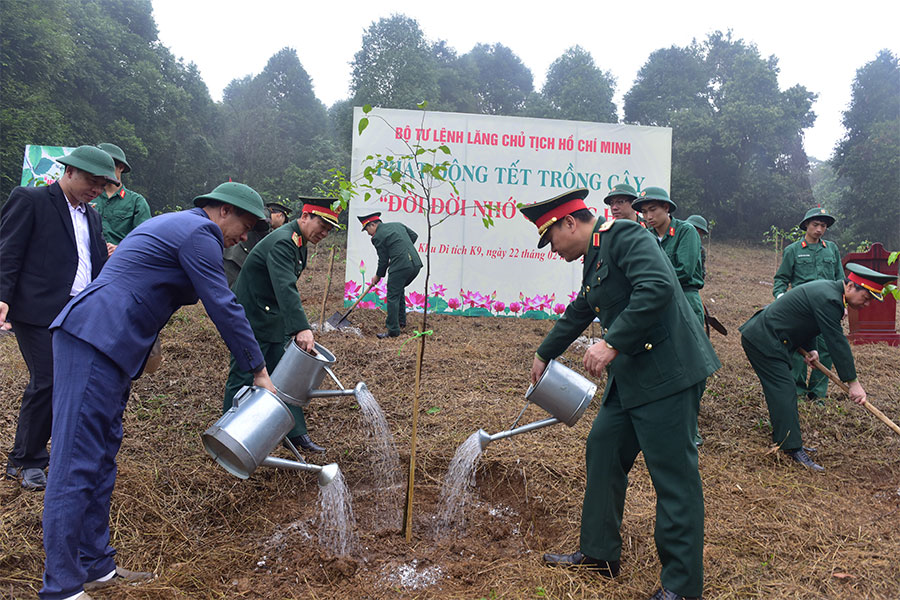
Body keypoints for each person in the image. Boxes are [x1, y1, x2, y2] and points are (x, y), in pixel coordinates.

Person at [39, 181, 275, 600]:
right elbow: (222, 303)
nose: (245, 235)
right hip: (95, 336)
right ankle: (61, 586)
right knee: (75, 462)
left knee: (101, 455)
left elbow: (144, 284)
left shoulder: (182, 227)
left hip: (114, 343)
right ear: (222, 211)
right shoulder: (199, 232)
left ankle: (96, 565)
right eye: (246, 224)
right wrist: (257, 369)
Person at [522, 188, 719, 600]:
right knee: (604, 447)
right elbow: (583, 307)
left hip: (667, 374)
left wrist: (612, 342)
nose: (552, 249)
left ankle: (682, 587)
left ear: (570, 223)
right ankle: (599, 554)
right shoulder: (595, 255)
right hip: (632, 377)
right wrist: (545, 351)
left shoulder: (626, 236)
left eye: (551, 239)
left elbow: (658, 287)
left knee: (674, 478)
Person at [0, 145, 117, 491]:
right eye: (91, 181)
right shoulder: (31, 200)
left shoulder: (92, 216)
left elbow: (96, 264)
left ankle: (48, 453)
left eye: (102, 184)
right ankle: (25, 460)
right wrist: (2, 296)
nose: (96, 189)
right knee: (49, 379)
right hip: (36, 310)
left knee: (71, 382)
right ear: (68, 172)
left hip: (77, 312)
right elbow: (8, 251)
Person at [739, 263, 893, 473]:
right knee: (784, 390)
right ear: (850, 287)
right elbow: (836, 342)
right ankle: (791, 447)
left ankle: (788, 439)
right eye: (865, 298)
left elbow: (808, 318)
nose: (866, 304)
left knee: (783, 390)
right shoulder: (830, 298)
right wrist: (853, 383)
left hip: (773, 337)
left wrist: (812, 349)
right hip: (764, 339)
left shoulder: (830, 292)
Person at [223, 197, 339, 453]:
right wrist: (301, 327)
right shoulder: (284, 242)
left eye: (329, 230)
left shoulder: (299, 241)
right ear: (305, 216)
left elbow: (283, 288)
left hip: (271, 316)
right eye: (322, 225)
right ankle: (228, 436)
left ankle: (295, 434)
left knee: (284, 376)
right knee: (244, 374)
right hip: (251, 316)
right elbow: (285, 286)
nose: (324, 233)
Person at [635, 187, 707, 446]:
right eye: (644, 211)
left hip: (684, 299)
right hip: (657, 301)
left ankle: (690, 428)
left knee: (691, 364)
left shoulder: (686, 231)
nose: (648, 215)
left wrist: (649, 278)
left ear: (667, 208)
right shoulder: (647, 235)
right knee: (662, 362)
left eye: (653, 209)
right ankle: (667, 422)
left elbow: (684, 270)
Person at [773, 207, 843, 402]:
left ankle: (818, 393)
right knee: (798, 349)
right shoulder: (793, 250)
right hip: (801, 309)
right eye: (815, 225)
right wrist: (780, 298)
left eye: (823, 226)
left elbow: (840, 279)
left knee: (827, 348)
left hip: (828, 309)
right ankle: (798, 390)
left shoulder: (831, 249)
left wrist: (843, 304)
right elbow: (781, 279)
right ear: (806, 225)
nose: (819, 229)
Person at [358, 212, 423, 338]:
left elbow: (383, 261)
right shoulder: (398, 225)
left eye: (368, 230)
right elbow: (414, 236)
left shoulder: (377, 237)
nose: (369, 234)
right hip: (415, 264)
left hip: (400, 267)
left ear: (373, 224)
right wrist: (402, 249)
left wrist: (378, 276)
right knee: (398, 290)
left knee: (392, 296)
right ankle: (401, 321)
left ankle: (393, 330)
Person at [92, 143, 151, 256]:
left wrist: (120, 248)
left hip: (121, 262)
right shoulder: (88, 196)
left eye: (109, 165)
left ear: (121, 167)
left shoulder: (136, 202)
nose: (104, 170)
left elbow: (145, 239)